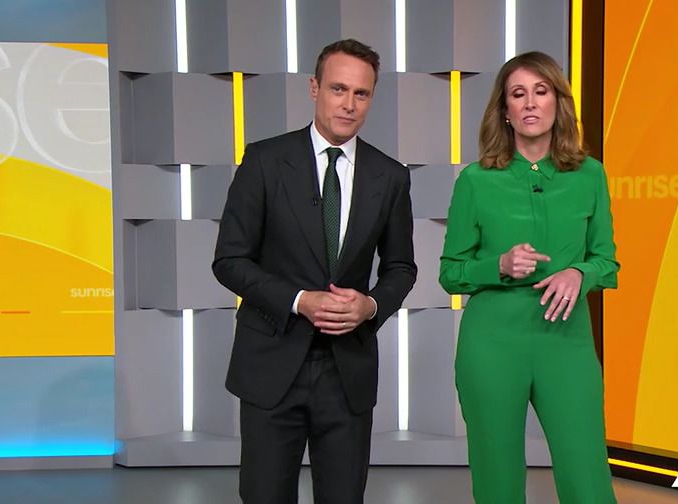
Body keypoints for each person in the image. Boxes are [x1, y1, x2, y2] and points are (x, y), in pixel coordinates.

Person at [213, 39, 417, 504]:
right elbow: (229, 260)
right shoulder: (264, 160)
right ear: (314, 88)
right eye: (338, 89)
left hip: (347, 372)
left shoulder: (390, 176)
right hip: (271, 363)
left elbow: (401, 267)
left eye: (361, 93)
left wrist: (370, 306)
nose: (349, 104)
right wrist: (299, 300)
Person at [439, 51, 619, 503]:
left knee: (586, 475)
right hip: (492, 344)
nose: (531, 103)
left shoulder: (589, 175)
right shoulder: (476, 180)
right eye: (518, 94)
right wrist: (497, 266)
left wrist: (579, 272)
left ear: (558, 102)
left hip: (566, 341)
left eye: (541, 91)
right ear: (505, 110)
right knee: (497, 476)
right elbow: (451, 273)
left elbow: (606, 260)